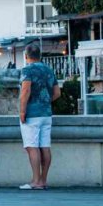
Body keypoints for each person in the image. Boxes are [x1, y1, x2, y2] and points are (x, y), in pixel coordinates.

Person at [18, 44, 61, 190]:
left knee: (32, 147)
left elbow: (25, 91)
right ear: (39, 55)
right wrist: (44, 102)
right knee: (45, 146)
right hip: (46, 114)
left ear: (26, 56)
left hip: (32, 114)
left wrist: (22, 111)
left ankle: (35, 181)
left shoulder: (27, 70)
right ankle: (43, 180)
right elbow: (57, 93)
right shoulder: (48, 70)